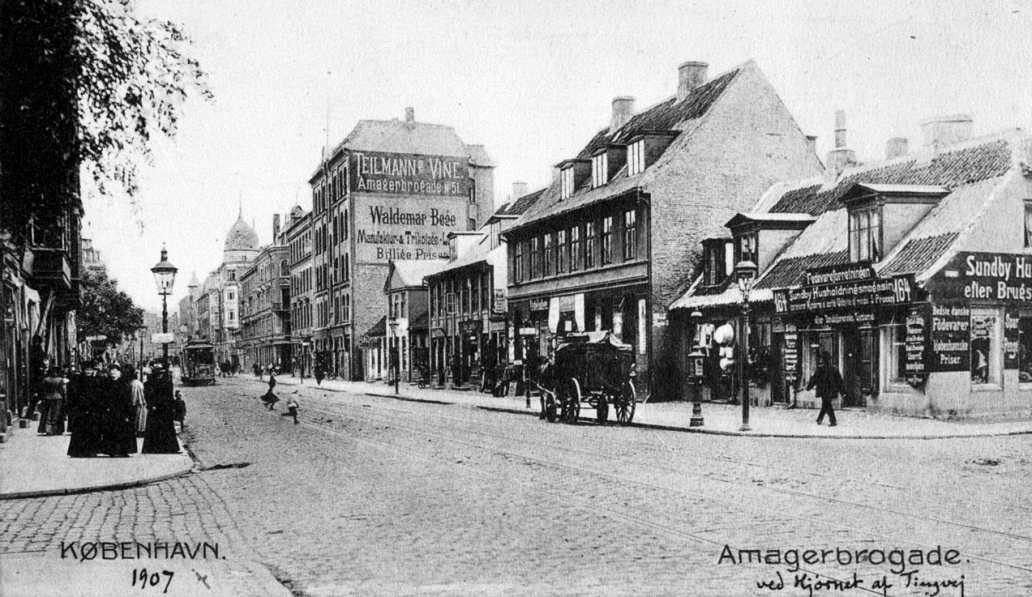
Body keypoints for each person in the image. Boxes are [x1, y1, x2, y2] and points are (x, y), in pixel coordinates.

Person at [100, 365, 137, 457]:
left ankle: (123, 450)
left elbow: (128, 399)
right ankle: (111, 450)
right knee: (110, 430)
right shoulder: (106, 384)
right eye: (112, 371)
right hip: (110, 410)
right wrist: (105, 407)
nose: (113, 373)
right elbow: (102, 397)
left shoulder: (124, 384)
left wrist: (128, 413)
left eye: (115, 371)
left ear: (120, 373)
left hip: (122, 410)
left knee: (123, 430)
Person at [142, 368, 180, 454]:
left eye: (161, 374)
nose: (160, 375)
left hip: (165, 409)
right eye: (158, 374)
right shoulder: (149, 384)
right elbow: (147, 396)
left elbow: (170, 396)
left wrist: (172, 407)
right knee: (154, 428)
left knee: (167, 428)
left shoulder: (167, 384)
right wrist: (151, 405)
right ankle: (153, 448)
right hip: (155, 409)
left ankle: (169, 448)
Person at [806, 351, 844, 427]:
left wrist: (808, 387)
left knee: (826, 404)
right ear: (829, 360)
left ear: (823, 360)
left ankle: (831, 420)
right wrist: (842, 391)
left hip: (823, 390)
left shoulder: (820, 369)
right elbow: (839, 381)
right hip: (831, 390)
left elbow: (814, 379)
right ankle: (822, 419)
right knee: (826, 404)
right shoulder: (834, 369)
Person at [37, 366, 67, 435]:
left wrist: (42, 398)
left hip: (48, 397)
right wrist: (65, 399)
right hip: (58, 397)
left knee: (48, 413)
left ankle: (48, 429)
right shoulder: (60, 380)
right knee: (57, 413)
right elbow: (64, 391)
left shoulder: (46, 379)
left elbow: (42, 389)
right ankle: (56, 429)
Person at [130, 369, 147, 437]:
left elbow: (133, 394)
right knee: (140, 418)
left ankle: (137, 431)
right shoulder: (137, 383)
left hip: (138, 402)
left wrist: (132, 402)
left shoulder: (132, 383)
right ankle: (139, 431)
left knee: (138, 418)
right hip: (140, 402)